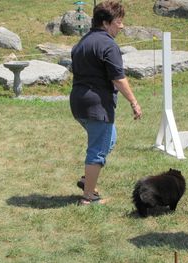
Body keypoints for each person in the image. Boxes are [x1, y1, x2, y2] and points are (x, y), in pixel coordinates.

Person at [70, 0, 142, 205]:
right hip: (97, 105)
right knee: (97, 150)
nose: (122, 26)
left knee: (109, 138)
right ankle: (88, 197)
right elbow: (118, 78)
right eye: (118, 22)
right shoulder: (108, 44)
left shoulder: (82, 42)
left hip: (78, 103)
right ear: (105, 23)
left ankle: (87, 180)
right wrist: (134, 102)